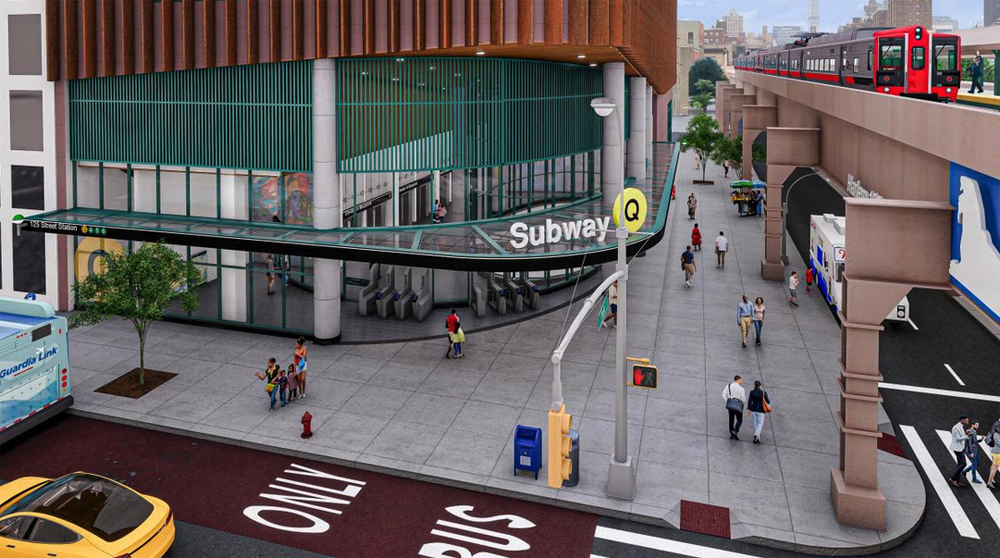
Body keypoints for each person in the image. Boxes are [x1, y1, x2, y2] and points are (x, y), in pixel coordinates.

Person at [949, 416, 971, 487]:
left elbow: (961, 436)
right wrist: (967, 436)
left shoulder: (961, 427)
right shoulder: (956, 428)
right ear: (962, 420)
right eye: (967, 421)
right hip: (957, 449)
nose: (968, 422)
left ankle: (957, 481)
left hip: (960, 448)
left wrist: (966, 433)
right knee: (963, 463)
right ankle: (952, 478)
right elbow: (958, 439)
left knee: (960, 464)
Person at [723, 375, 747, 441]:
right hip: (738, 406)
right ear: (738, 380)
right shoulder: (741, 389)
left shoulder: (728, 386)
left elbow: (723, 394)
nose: (741, 381)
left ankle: (731, 433)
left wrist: (727, 401)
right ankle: (735, 431)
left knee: (731, 420)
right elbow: (744, 399)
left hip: (730, 406)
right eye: (741, 380)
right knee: (739, 419)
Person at [987, 421, 1000, 488]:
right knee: (995, 468)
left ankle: (991, 479)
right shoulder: (996, 435)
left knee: (993, 466)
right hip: (997, 453)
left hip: (995, 452)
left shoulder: (995, 433)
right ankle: (989, 482)